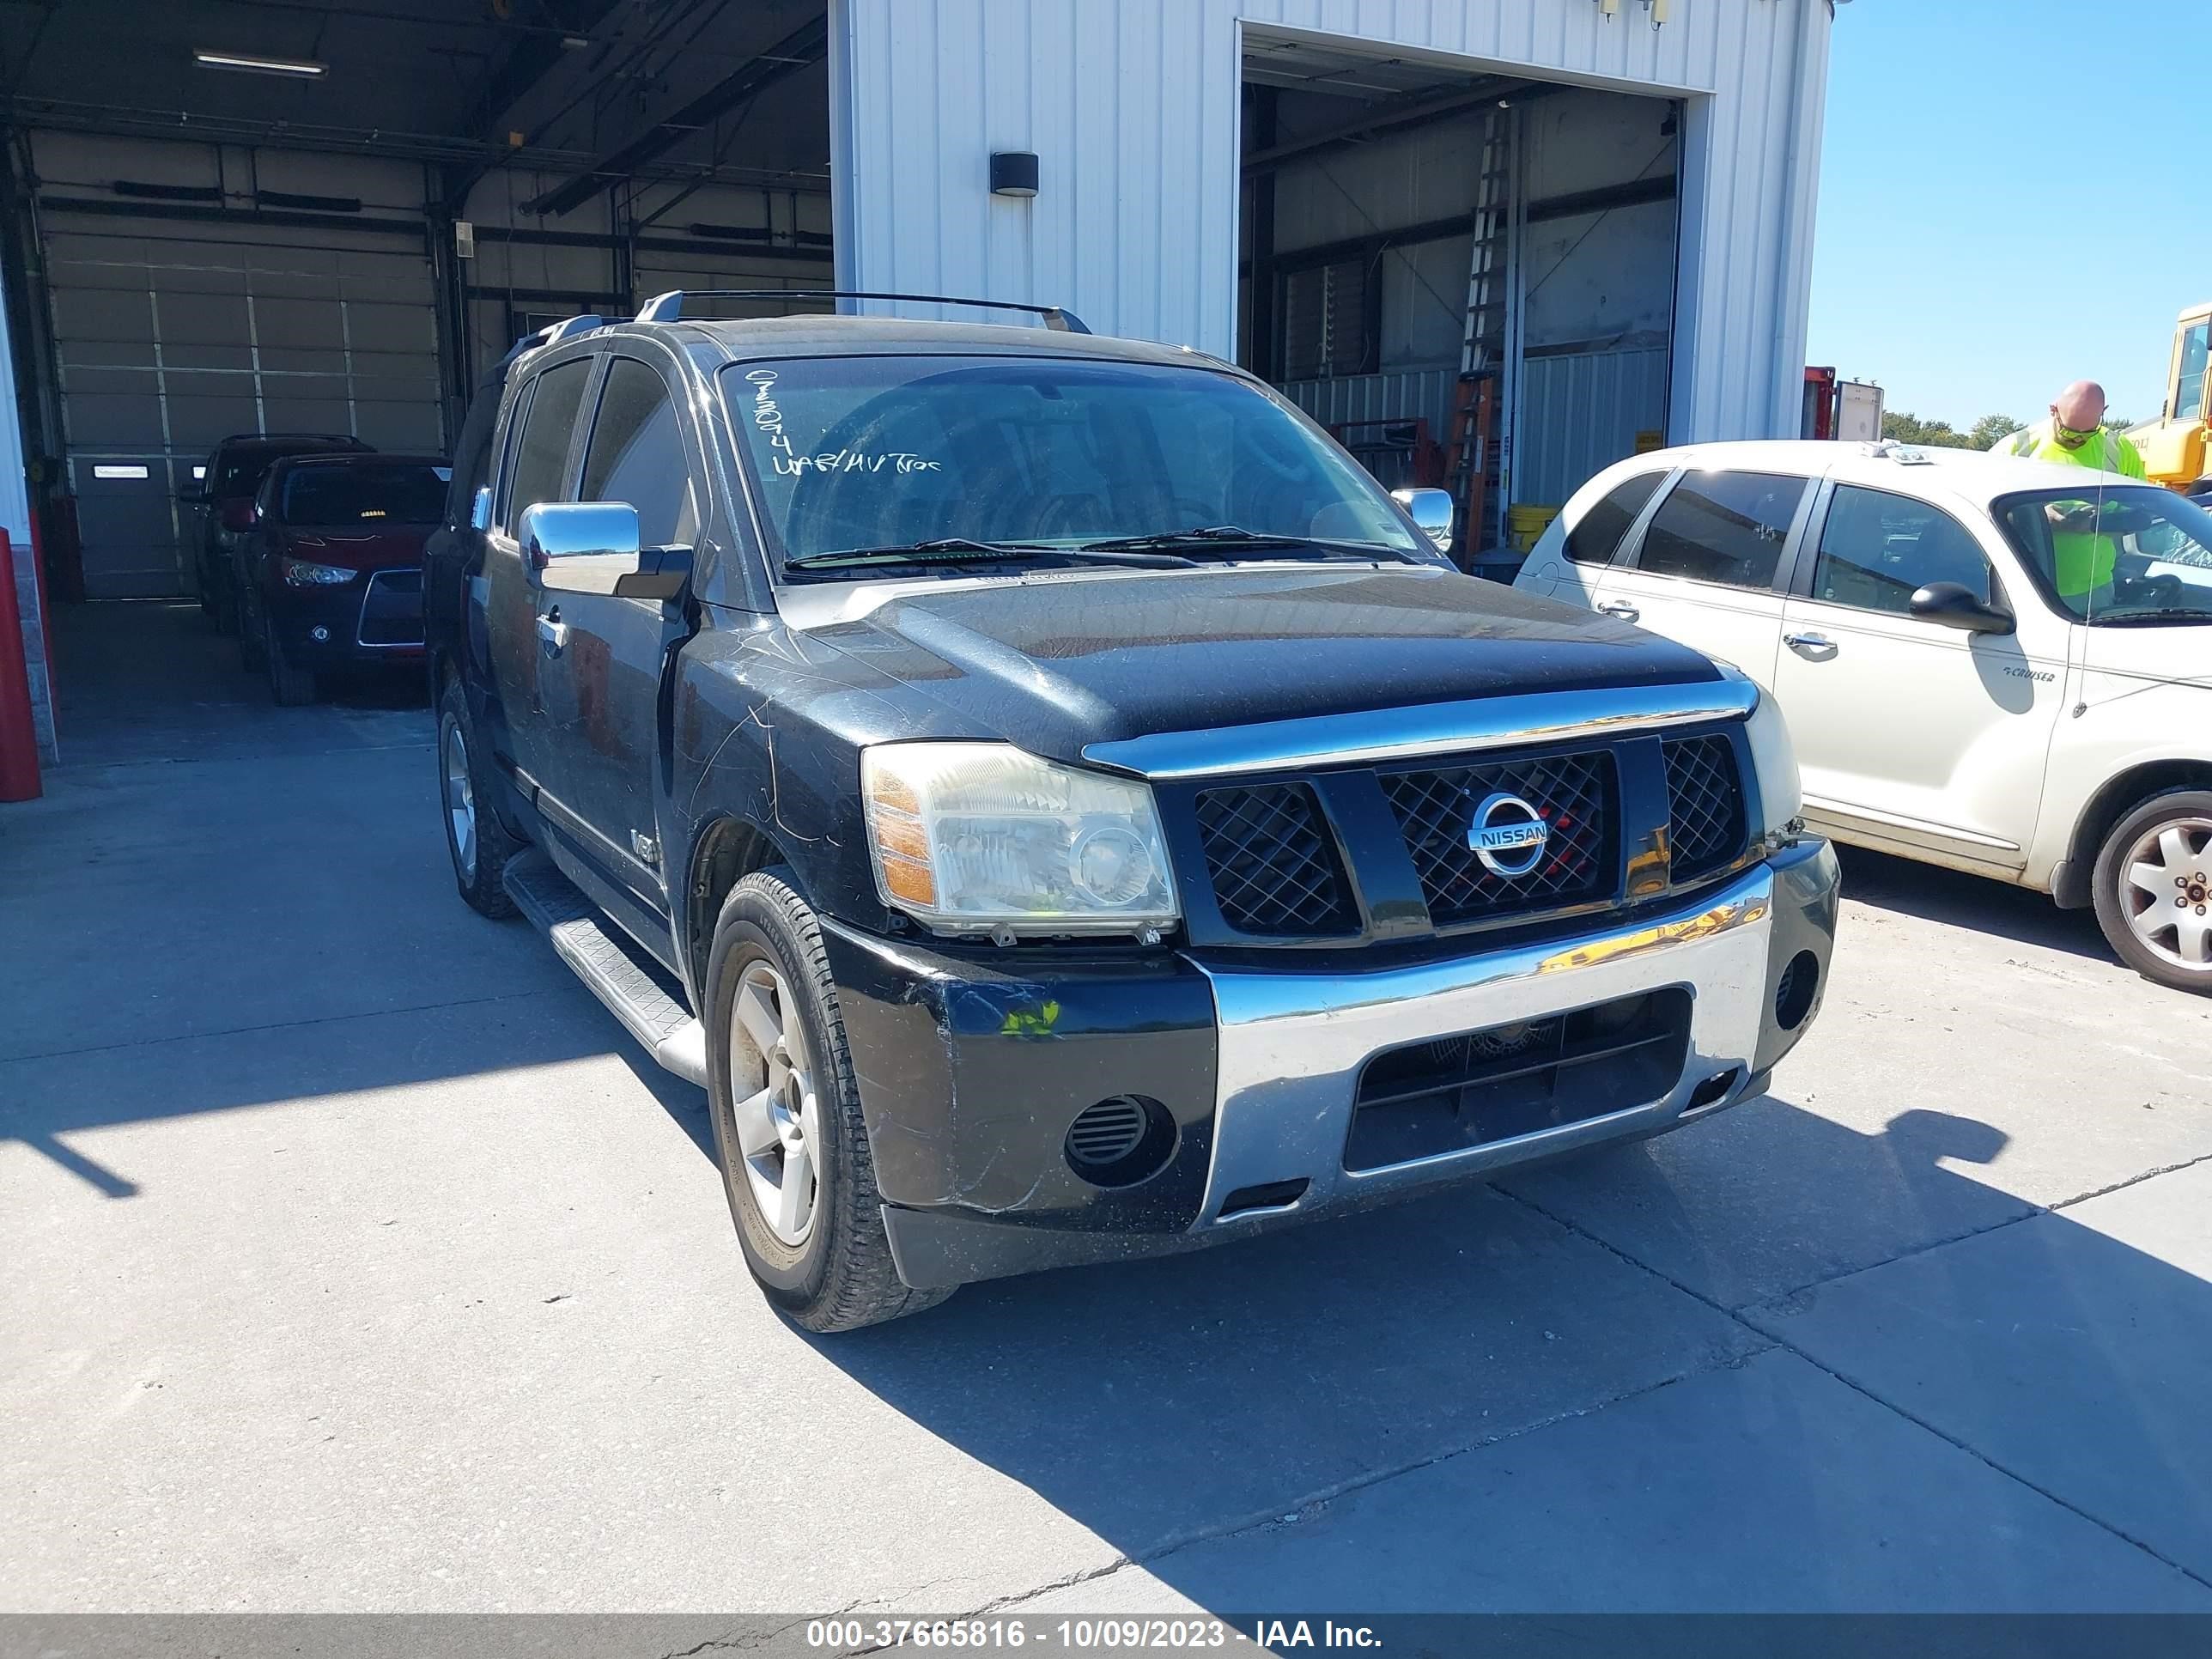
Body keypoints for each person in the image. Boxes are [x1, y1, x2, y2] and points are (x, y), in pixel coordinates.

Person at [1990, 380, 2147, 603]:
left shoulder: (2118, 449)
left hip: (2095, 588)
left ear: (2103, 414)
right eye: (2069, 431)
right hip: (2023, 589)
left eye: (2088, 434)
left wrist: (2092, 524)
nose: (2077, 439)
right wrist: (2038, 519)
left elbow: (2140, 516)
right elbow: (1982, 513)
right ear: (2053, 410)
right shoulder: (2016, 449)